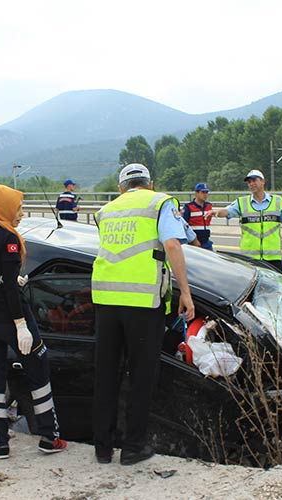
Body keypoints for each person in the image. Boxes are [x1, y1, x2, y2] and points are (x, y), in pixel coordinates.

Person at [92, 163, 195, 466]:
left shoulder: (106, 210)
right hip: (143, 304)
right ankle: (133, 447)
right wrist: (185, 293)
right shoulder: (160, 203)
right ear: (150, 183)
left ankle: (102, 447)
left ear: (121, 187)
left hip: (106, 301)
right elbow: (173, 244)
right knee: (141, 377)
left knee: (106, 375)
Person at [0, 183, 66, 459]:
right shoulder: (8, 239)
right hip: (11, 319)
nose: (21, 213)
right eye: (18, 208)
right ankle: (49, 436)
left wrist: (8, 281)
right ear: (2, 207)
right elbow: (9, 289)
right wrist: (20, 323)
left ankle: (0, 443)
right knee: (39, 370)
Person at [206, 169, 282, 271]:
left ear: (263, 181)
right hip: (250, 259)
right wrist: (217, 213)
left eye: (254, 180)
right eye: (249, 182)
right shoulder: (242, 202)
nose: (251, 184)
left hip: (272, 258)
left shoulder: (276, 201)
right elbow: (227, 211)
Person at [182, 182, 214, 250]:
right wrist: (192, 240)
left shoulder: (209, 206)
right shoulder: (188, 207)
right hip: (193, 243)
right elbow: (183, 225)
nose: (205, 195)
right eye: (203, 192)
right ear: (196, 193)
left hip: (206, 242)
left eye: (206, 192)